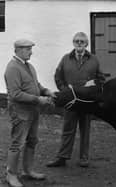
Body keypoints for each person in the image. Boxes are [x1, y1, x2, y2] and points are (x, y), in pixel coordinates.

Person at [4, 39, 55, 187]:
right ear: (18, 50)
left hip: (33, 110)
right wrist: (38, 99)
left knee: (32, 140)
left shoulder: (29, 66)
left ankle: (27, 170)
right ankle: (11, 175)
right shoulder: (12, 68)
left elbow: (35, 84)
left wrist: (46, 91)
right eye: (28, 49)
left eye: (30, 49)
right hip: (20, 112)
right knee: (17, 143)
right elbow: (15, 94)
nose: (31, 52)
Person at [46, 32, 101, 168]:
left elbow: (100, 79)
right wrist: (65, 91)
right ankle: (62, 157)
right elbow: (58, 76)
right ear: (73, 43)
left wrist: (92, 86)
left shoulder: (94, 60)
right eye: (76, 41)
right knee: (68, 129)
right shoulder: (66, 59)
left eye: (82, 41)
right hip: (71, 101)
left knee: (85, 130)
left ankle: (84, 158)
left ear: (86, 44)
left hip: (86, 102)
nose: (79, 44)